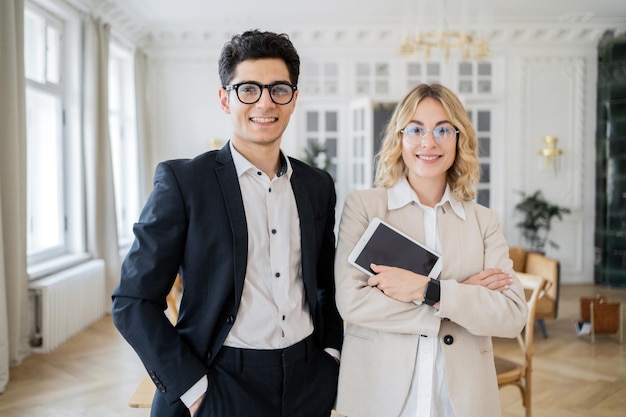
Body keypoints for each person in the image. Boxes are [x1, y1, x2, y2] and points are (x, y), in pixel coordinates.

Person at [112, 30, 343, 417]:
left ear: (294, 98)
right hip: (219, 381)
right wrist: (193, 389)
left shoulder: (317, 185)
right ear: (225, 98)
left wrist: (331, 357)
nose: (265, 102)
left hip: (308, 380)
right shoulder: (184, 183)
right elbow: (133, 301)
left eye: (279, 90)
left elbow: (325, 284)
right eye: (248, 89)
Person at [333, 83, 528, 417]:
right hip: (379, 396)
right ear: (400, 138)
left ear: (458, 138)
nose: (429, 142)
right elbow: (352, 302)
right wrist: (459, 299)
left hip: (461, 401)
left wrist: (427, 289)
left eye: (442, 129)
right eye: (416, 129)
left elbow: (511, 315)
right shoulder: (365, 208)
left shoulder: (484, 221)